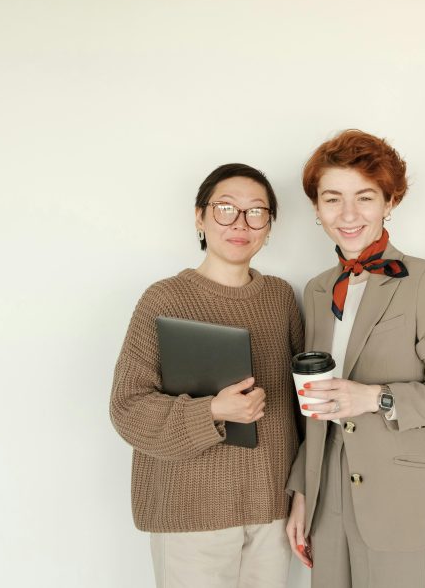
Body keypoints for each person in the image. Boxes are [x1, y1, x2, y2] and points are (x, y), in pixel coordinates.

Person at [285, 129, 425, 588]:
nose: (348, 215)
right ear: (316, 208)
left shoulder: (424, 281)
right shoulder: (316, 290)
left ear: (390, 202)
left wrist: (374, 398)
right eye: (332, 199)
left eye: (364, 197)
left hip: (402, 499)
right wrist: (303, 492)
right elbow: (312, 407)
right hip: (327, 498)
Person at [109, 163, 302, 588]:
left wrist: (303, 493)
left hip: (271, 509)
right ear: (200, 216)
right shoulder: (164, 298)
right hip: (190, 512)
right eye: (225, 209)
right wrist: (213, 410)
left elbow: (303, 408)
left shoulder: (281, 298)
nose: (240, 223)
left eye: (256, 212)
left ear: (269, 225)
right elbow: (127, 407)